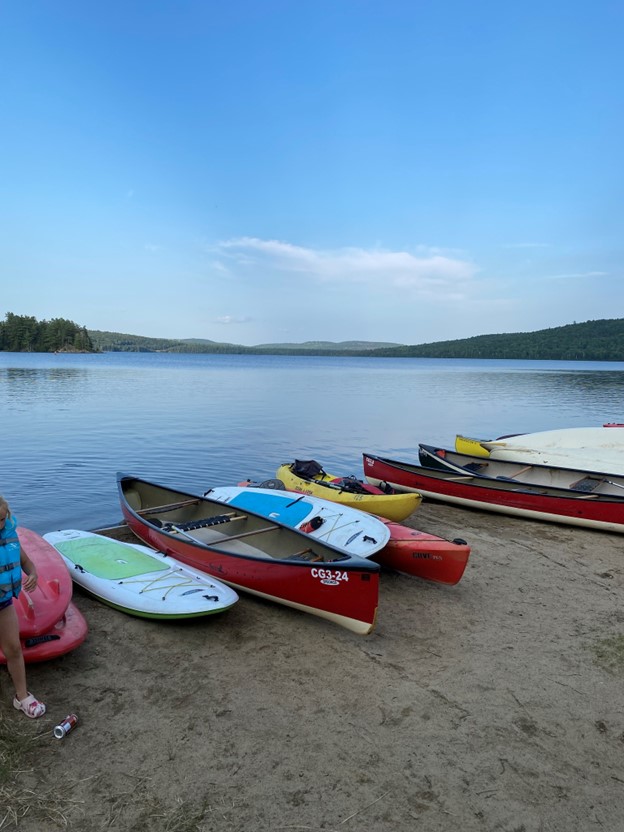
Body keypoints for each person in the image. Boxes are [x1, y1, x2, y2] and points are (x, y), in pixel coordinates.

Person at [0, 496, 46, 718]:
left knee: (14, 649)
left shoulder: (8, 535)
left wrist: (34, 574)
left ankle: (22, 697)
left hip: (3, 602)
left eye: (1, 519)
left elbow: (27, 562)